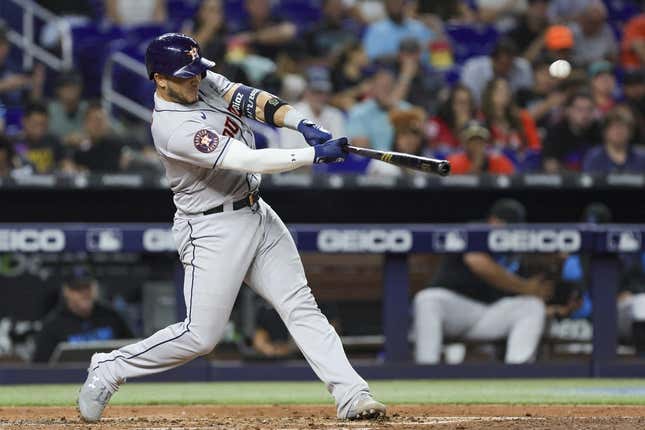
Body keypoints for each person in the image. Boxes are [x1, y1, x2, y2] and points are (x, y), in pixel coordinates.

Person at [77, 33, 385, 422]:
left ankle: (352, 395)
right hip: (211, 229)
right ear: (159, 79)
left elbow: (250, 100)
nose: (195, 80)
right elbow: (246, 160)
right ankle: (111, 367)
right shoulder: (173, 127)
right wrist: (312, 155)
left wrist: (302, 122)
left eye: (196, 71)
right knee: (200, 336)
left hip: (256, 212)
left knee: (300, 305)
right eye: (184, 75)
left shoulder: (200, 82)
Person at [413, 199, 553, 364]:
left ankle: (517, 372)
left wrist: (539, 292)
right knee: (427, 299)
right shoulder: (476, 229)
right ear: (493, 221)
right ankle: (427, 369)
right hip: (455, 310)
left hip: (489, 314)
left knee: (532, 305)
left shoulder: (517, 245)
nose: (510, 231)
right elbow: (478, 262)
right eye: (507, 225)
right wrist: (526, 287)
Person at [32, 266, 134, 363]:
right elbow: (39, 368)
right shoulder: (53, 326)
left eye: (87, 287)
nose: (84, 293)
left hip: (112, 377)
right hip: (71, 379)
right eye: (78, 289)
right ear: (66, 291)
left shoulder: (111, 316)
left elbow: (133, 350)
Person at [279, 67, 346, 149]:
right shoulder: (291, 113)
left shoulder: (335, 114)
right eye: (316, 92)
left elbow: (339, 147)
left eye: (324, 92)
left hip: (328, 161)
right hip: (299, 160)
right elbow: (288, 149)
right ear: (306, 92)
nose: (320, 97)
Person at [346, 66, 411, 151]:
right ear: (373, 88)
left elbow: (410, 146)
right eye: (381, 86)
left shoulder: (407, 111)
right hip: (372, 161)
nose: (385, 90)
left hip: (401, 161)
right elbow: (360, 147)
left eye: (389, 86)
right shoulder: (359, 111)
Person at [542, 91, 602, 172]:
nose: (585, 114)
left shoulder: (600, 130)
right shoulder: (556, 132)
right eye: (580, 109)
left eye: (589, 109)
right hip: (565, 181)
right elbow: (550, 165)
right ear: (568, 111)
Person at [460, 38, 533, 104]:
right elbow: (468, 101)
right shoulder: (473, 69)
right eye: (502, 64)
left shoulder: (522, 67)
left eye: (509, 64)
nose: (506, 68)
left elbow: (528, 98)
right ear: (492, 60)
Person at [481, 77, 541, 154]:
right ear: (490, 95)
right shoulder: (481, 121)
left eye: (507, 90)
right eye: (500, 90)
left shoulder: (523, 118)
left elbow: (535, 148)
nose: (505, 93)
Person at [361, 0, 434, 63]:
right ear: (386, 7)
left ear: (405, 5)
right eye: (392, 4)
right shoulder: (376, 29)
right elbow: (371, 57)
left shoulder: (418, 27)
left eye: (398, 3)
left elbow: (430, 50)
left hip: (421, 70)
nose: (396, 7)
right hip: (389, 71)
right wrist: (401, 57)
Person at [366, 107, 426, 176]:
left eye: (415, 135)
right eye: (404, 134)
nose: (410, 140)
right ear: (396, 138)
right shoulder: (381, 164)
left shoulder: (426, 165)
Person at [583, 107, 645, 173]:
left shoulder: (641, 157)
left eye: (622, 127)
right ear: (605, 131)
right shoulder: (594, 157)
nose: (618, 131)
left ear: (631, 132)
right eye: (614, 127)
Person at [13, 102, 64, 174]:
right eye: (35, 124)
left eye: (43, 124)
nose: (39, 128)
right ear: (24, 121)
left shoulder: (54, 141)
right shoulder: (15, 142)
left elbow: (64, 163)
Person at [447, 120, 515, 175]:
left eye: (480, 140)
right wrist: (475, 166)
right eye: (472, 140)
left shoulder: (499, 162)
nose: (477, 144)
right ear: (464, 143)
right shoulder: (454, 163)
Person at [426, 84, 476, 153]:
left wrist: (464, 129)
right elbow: (429, 151)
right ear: (451, 105)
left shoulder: (475, 128)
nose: (464, 107)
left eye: (467, 103)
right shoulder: (436, 125)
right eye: (460, 103)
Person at [570, 2, 618, 68]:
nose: (594, 26)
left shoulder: (606, 30)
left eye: (598, 23)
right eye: (591, 22)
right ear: (582, 19)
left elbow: (613, 56)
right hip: (576, 69)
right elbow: (565, 57)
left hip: (599, 70)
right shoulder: (572, 31)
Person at [47, 72, 88, 142]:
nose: (70, 90)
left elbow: (110, 130)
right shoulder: (49, 110)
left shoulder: (88, 108)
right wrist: (65, 140)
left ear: (80, 89)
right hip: (56, 150)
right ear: (58, 90)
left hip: (85, 150)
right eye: (66, 87)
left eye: (73, 86)